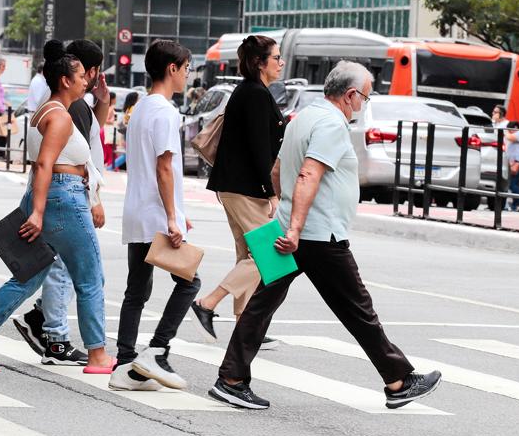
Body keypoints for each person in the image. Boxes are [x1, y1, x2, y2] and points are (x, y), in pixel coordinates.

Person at [210, 61, 443, 411]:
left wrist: (284, 211)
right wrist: (295, 229)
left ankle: (232, 378)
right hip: (319, 236)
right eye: (364, 96)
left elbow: (277, 170)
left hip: (297, 230)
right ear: (350, 95)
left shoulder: (303, 117)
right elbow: (307, 175)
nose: (363, 104)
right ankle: (398, 381)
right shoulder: (332, 125)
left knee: (261, 305)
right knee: (358, 310)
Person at [0, 41, 114, 373]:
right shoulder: (61, 118)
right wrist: (37, 212)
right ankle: (98, 355)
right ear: (65, 80)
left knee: (28, 275)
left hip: (52, 196)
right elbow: (44, 165)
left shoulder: (45, 110)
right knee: (90, 277)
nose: (86, 81)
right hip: (64, 199)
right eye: (81, 76)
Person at [11, 39, 111, 365]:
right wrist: (93, 199)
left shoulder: (70, 104)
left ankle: (36, 323)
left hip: (58, 192)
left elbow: (86, 143)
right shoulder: (70, 108)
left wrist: (104, 104)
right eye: (87, 72)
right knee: (67, 271)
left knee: (45, 269)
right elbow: (76, 161)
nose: (89, 78)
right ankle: (57, 338)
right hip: (67, 193)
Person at [111, 40, 199, 392]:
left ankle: (124, 363)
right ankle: (158, 351)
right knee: (190, 283)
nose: (188, 76)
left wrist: (178, 210)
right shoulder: (165, 111)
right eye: (187, 68)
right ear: (172, 69)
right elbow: (164, 167)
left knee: (137, 290)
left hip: (138, 211)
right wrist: (173, 217)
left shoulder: (141, 109)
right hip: (155, 215)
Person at [190, 34, 284, 347]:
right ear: (260, 62)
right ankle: (208, 302)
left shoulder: (248, 91)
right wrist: (270, 191)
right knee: (270, 254)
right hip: (245, 187)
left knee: (247, 253)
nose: (281, 63)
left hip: (233, 185)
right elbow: (259, 149)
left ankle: (246, 324)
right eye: (276, 58)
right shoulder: (255, 94)